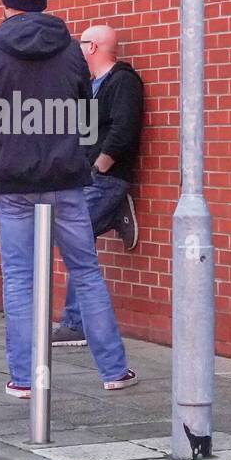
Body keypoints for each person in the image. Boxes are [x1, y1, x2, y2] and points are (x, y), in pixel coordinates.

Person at [0, 0, 137, 398]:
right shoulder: (72, 50)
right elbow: (86, 115)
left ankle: (24, 378)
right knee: (86, 271)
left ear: (7, 4)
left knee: (18, 278)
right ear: (42, 4)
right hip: (67, 177)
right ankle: (113, 370)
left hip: (11, 181)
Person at [51, 23, 143, 346]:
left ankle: (75, 324)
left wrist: (100, 168)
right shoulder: (91, 86)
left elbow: (123, 129)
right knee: (76, 236)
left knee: (75, 237)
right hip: (88, 178)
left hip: (106, 179)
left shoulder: (123, 82)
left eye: (81, 44)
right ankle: (117, 213)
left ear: (92, 48)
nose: (77, 50)